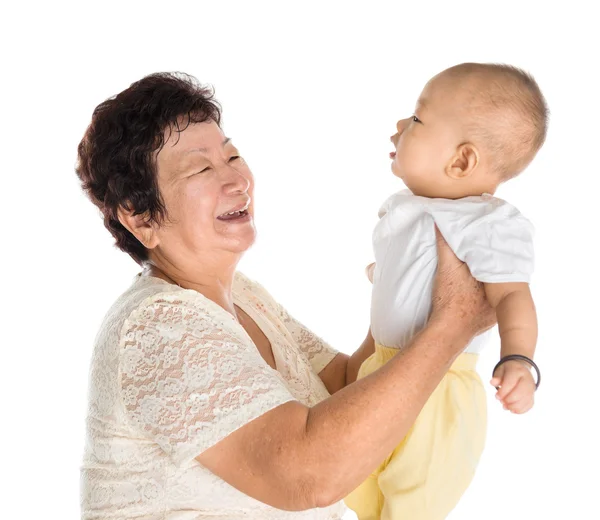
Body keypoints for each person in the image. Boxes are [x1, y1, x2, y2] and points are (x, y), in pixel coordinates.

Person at [76, 72, 495, 519]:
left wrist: (407, 291)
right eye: (202, 168)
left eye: (232, 155)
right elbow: (307, 476)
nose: (237, 180)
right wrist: (453, 323)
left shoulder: (247, 297)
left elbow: (345, 386)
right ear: (140, 219)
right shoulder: (156, 328)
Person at [344, 63, 547, 520]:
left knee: (415, 497)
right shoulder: (409, 208)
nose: (399, 126)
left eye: (416, 120)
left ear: (461, 161)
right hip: (383, 370)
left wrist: (519, 358)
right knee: (356, 485)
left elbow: (512, 296)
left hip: (439, 388)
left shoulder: (487, 221)